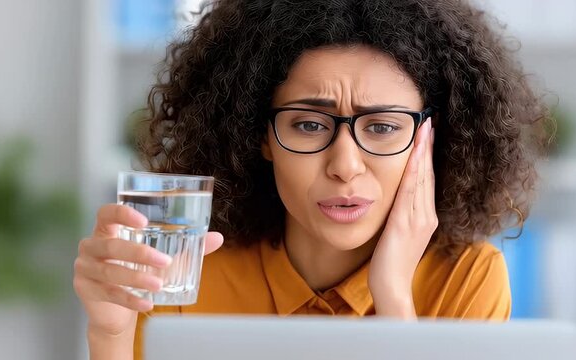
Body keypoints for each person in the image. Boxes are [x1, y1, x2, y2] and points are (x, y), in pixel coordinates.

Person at [73, 0, 550, 358]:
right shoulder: (185, 269)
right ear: (261, 136)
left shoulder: (466, 278)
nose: (345, 164)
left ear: (429, 140)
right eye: (308, 124)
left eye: (382, 127)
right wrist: (111, 333)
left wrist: (394, 301)